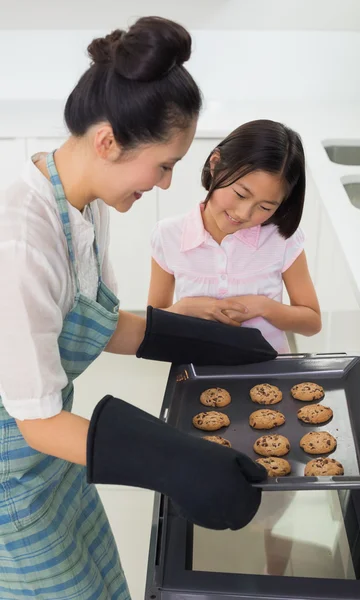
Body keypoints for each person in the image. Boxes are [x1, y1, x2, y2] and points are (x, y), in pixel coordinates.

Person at [0, 18, 276, 599]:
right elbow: (36, 418)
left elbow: (96, 324)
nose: (169, 182)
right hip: (12, 489)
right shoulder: (20, 241)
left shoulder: (82, 201)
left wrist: (208, 341)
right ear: (108, 142)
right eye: (165, 164)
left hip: (58, 466)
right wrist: (179, 463)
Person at [148, 119, 322, 574]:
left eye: (266, 205)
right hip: (198, 387)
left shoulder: (281, 239)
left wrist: (264, 306)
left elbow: (312, 318)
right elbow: (152, 322)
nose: (247, 214)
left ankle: (274, 576)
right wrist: (186, 308)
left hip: (273, 379)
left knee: (275, 499)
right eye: (241, 194)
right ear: (215, 164)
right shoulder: (169, 235)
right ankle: (207, 574)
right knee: (204, 498)